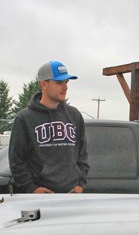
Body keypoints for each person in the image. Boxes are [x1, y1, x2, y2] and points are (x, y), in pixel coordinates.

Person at [9, 61, 89, 193]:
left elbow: (82, 155)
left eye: (66, 82)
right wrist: (32, 189)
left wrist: (80, 184)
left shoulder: (74, 115)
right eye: (59, 83)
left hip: (71, 196)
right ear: (44, 84)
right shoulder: (25, 118)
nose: (65, 87)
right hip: (40, 198)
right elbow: (16, 161)